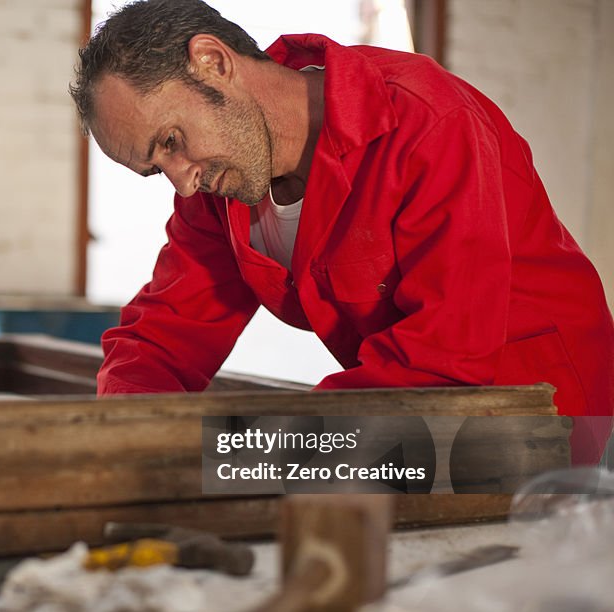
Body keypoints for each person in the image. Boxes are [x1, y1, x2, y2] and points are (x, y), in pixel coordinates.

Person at [69, 0, 614, 465]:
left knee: (243, 477)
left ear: (212, 62)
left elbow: (443, 361)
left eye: (170, 141)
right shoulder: (218, 184)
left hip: (550, 426)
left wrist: (263, 451)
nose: (182, 183)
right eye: (156, 169)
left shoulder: (428, 123)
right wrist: (124, 438)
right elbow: (165, 334)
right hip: (415, 427)